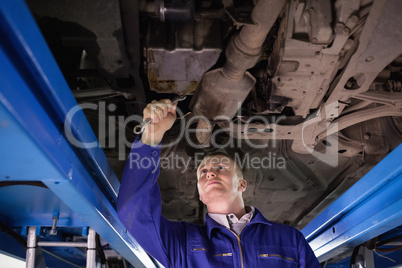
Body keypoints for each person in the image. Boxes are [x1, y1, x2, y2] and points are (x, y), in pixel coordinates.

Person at [117, 99, 321, 267]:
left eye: (221, 167)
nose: (210, 173)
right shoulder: (183, 243)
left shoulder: (289, 240)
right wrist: (152, 136)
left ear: (242, 184)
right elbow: (133, 212)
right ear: (200, 193)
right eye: (203, 171)